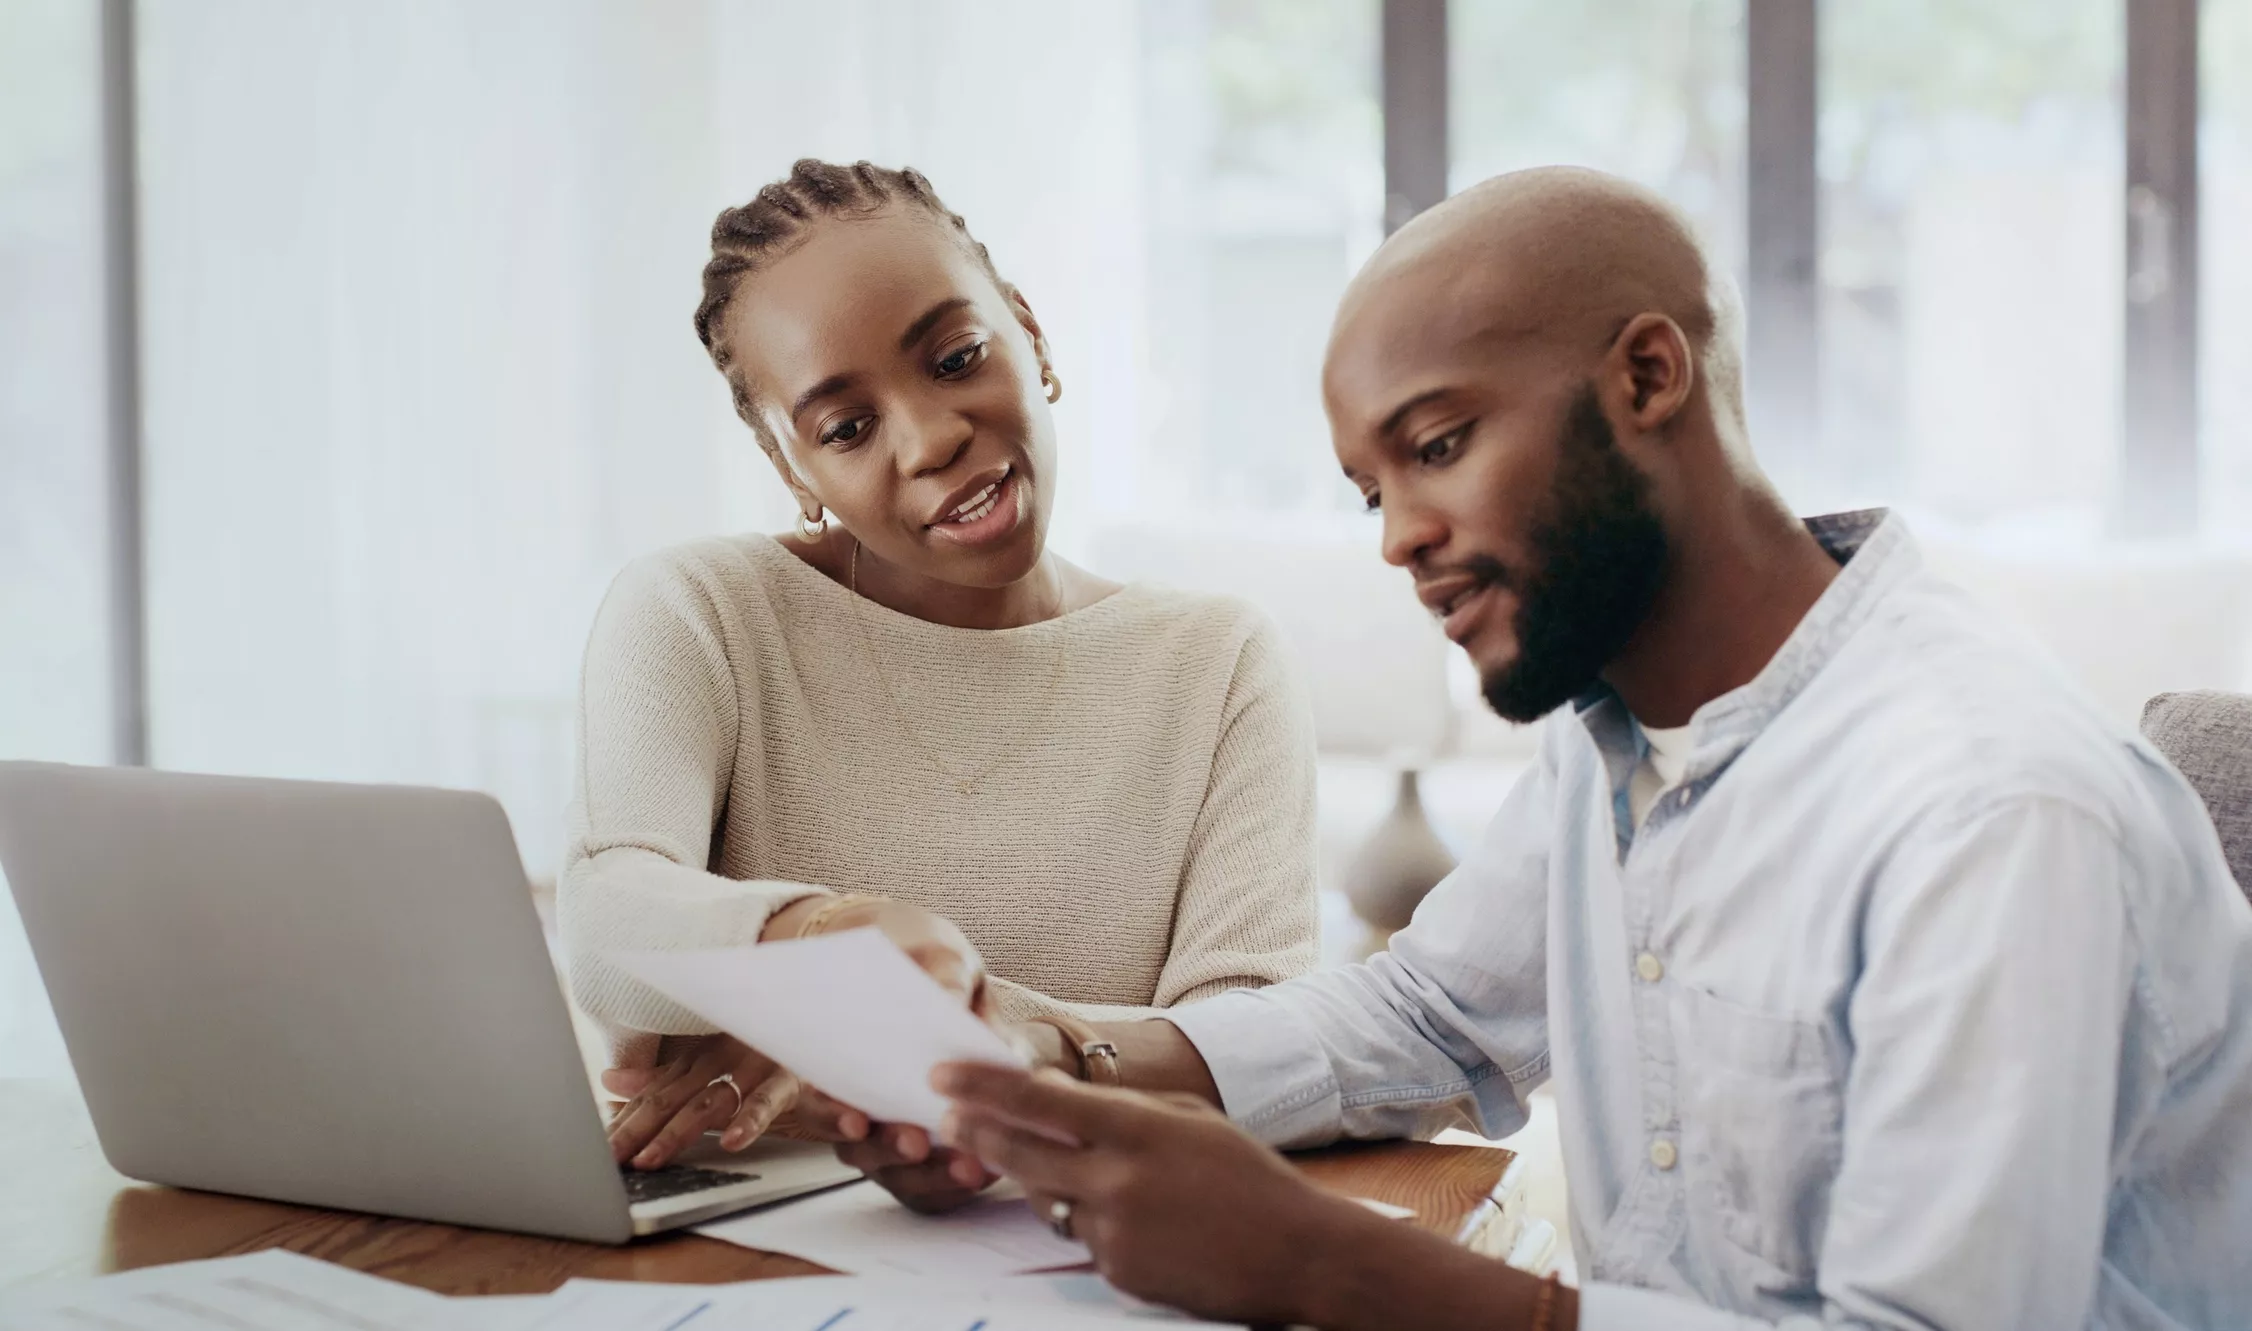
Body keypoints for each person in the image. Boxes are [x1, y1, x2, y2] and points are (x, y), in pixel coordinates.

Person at [910, 168, 2252, 1330]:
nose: (1398, 536)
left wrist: (1327, 1260)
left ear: (1648, 377)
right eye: (1376, 490)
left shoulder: (1987, 810)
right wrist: (1046, 1063)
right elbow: (1422, 1013)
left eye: (1438, 445)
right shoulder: (1621, 723)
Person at [560, 159, 1319, 1185]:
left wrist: (859, 1034)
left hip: (1093, 1248)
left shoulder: (1216, 662)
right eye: (845, 428)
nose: (931, 438)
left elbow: (1256, 1043)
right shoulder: (701, 610)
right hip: (760, 1255)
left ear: (1030, 331)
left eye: (957, 357)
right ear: (794, 471)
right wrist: (825, 938)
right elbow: (609, 917)